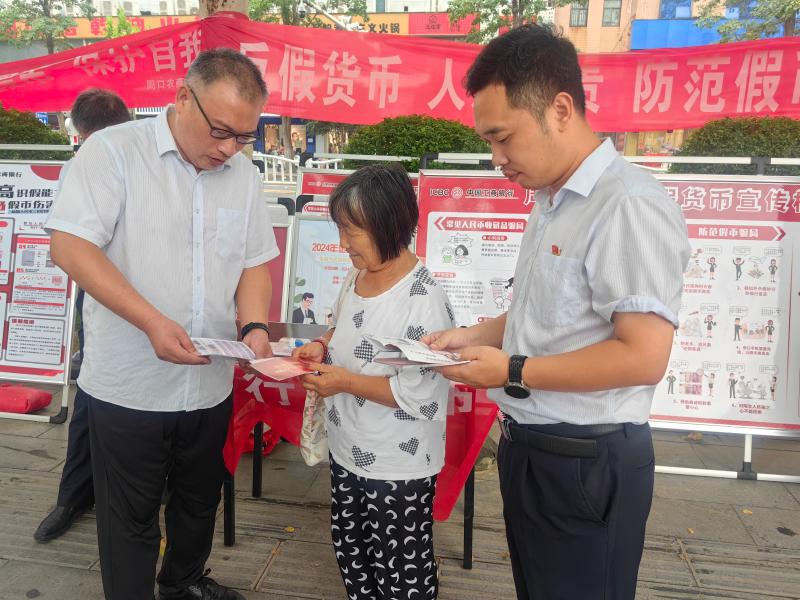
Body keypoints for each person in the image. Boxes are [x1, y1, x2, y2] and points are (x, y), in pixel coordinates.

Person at [423, 25, 690, 600]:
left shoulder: (627, 206)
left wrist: (512, 370)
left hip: (585, 463)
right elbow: (539, 314)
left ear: (560, 110)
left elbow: (643, 356)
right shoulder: (550, 199)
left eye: (503, 138)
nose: (497, 159)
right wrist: (468, 335)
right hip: (534, 449)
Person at [45, 49, 277, 600]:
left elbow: (252, 263)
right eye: (221, 131)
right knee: (130, 517)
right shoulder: (113, 153)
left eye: (243, 137)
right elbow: (70, 246)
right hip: (131, 386)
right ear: (182, 98)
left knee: (199, 500)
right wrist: (150, 321)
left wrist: (254, 328)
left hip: (208, 382)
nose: (229, 148)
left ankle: (183, 582)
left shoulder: (242, 175)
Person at [295, 164, 454, 600]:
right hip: (348, 450)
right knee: (353, 553)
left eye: (352, 231)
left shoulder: (424, 300)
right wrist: (322, 345)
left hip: (397, 464)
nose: (343, 243)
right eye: (340, 229)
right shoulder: (357, 275)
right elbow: (343, 326)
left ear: (388, 225)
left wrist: (344, 382)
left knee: (401, 571)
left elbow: (420, 397)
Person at [34, 88, 131, 544]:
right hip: (102, 301)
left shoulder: (150, 162)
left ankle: (128, 494)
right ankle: (74, 495)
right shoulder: (81, 167)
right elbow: (68, 246)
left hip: (158, 305)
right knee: (92, 396)